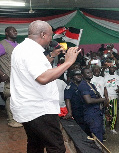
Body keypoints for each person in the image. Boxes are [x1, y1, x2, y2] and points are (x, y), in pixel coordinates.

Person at [10, 20, 80, 152]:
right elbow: (42, 77)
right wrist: (69, 62)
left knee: (35, 144)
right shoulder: (31, 51)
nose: (51, 39)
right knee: (57, 148)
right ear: (43, 34)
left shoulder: (22, 48)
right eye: (50, 35)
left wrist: (52, 55)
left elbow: (33, 69)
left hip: (29, 107)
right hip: (39, 110)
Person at [0, 26, 22, 128]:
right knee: (11, 97)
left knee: (17, 98)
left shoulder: (16, 45)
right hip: (9, 76)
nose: (15, 32)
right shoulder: (1, 45)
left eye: (16, 30)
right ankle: (11, 120)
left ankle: (16, 118)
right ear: (6, 33)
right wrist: (1, 74)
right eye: (12, 30)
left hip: (18, 77)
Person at [79, 68, 106, 141]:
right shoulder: (83, 85)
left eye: (91, 72)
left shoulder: (91, 85)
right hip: (91, 113)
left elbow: (97, 95)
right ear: (82, 75)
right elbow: (88, 100)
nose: (90, 74)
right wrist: (103, 99)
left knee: (99, 133)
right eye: (87, 73)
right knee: (96, 135)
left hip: (97, 112)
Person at [64, 69, 89, 134]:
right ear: (73, 77)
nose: (79, 76)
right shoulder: (70, 87)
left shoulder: (84, 85)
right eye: (76, 75)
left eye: (80, 75)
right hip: (76, 110)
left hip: (85, 109)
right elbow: (67, 99)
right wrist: (69, 112)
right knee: (80, 128)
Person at [104, 65, 119, 134]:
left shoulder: (118, 77)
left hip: (114, 97)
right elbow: (104, 87)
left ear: (115, 69)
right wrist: (106, 98)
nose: (112, 69)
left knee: (114, 113)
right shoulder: (105, 77)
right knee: (106, 113)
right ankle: (104, 128)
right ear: (109, 68)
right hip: (107, 97)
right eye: (111, 68)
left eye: (113, 68)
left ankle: (112, 128)